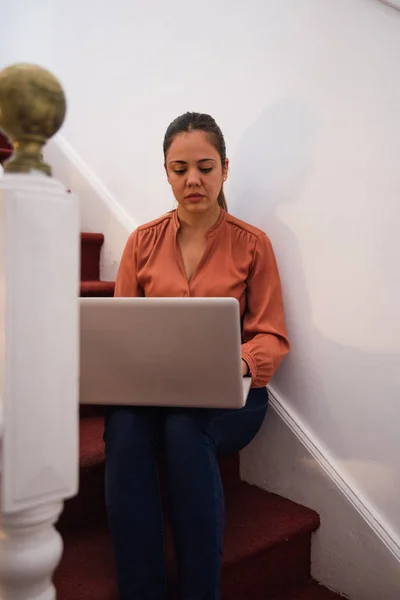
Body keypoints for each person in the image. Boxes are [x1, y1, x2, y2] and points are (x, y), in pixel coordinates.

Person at [104, 112, 290, 600]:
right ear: (165, 172)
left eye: (205, 167)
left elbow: (271, 335)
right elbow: (122, 333)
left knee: (187, 427)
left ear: (225, 169)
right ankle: (141, 590)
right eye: (180, 168)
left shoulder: (253, 245)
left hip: (232, 395)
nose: (193, 180)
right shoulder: (140, 243)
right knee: (123, 425)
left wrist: (243, 362)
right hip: (155, 389)